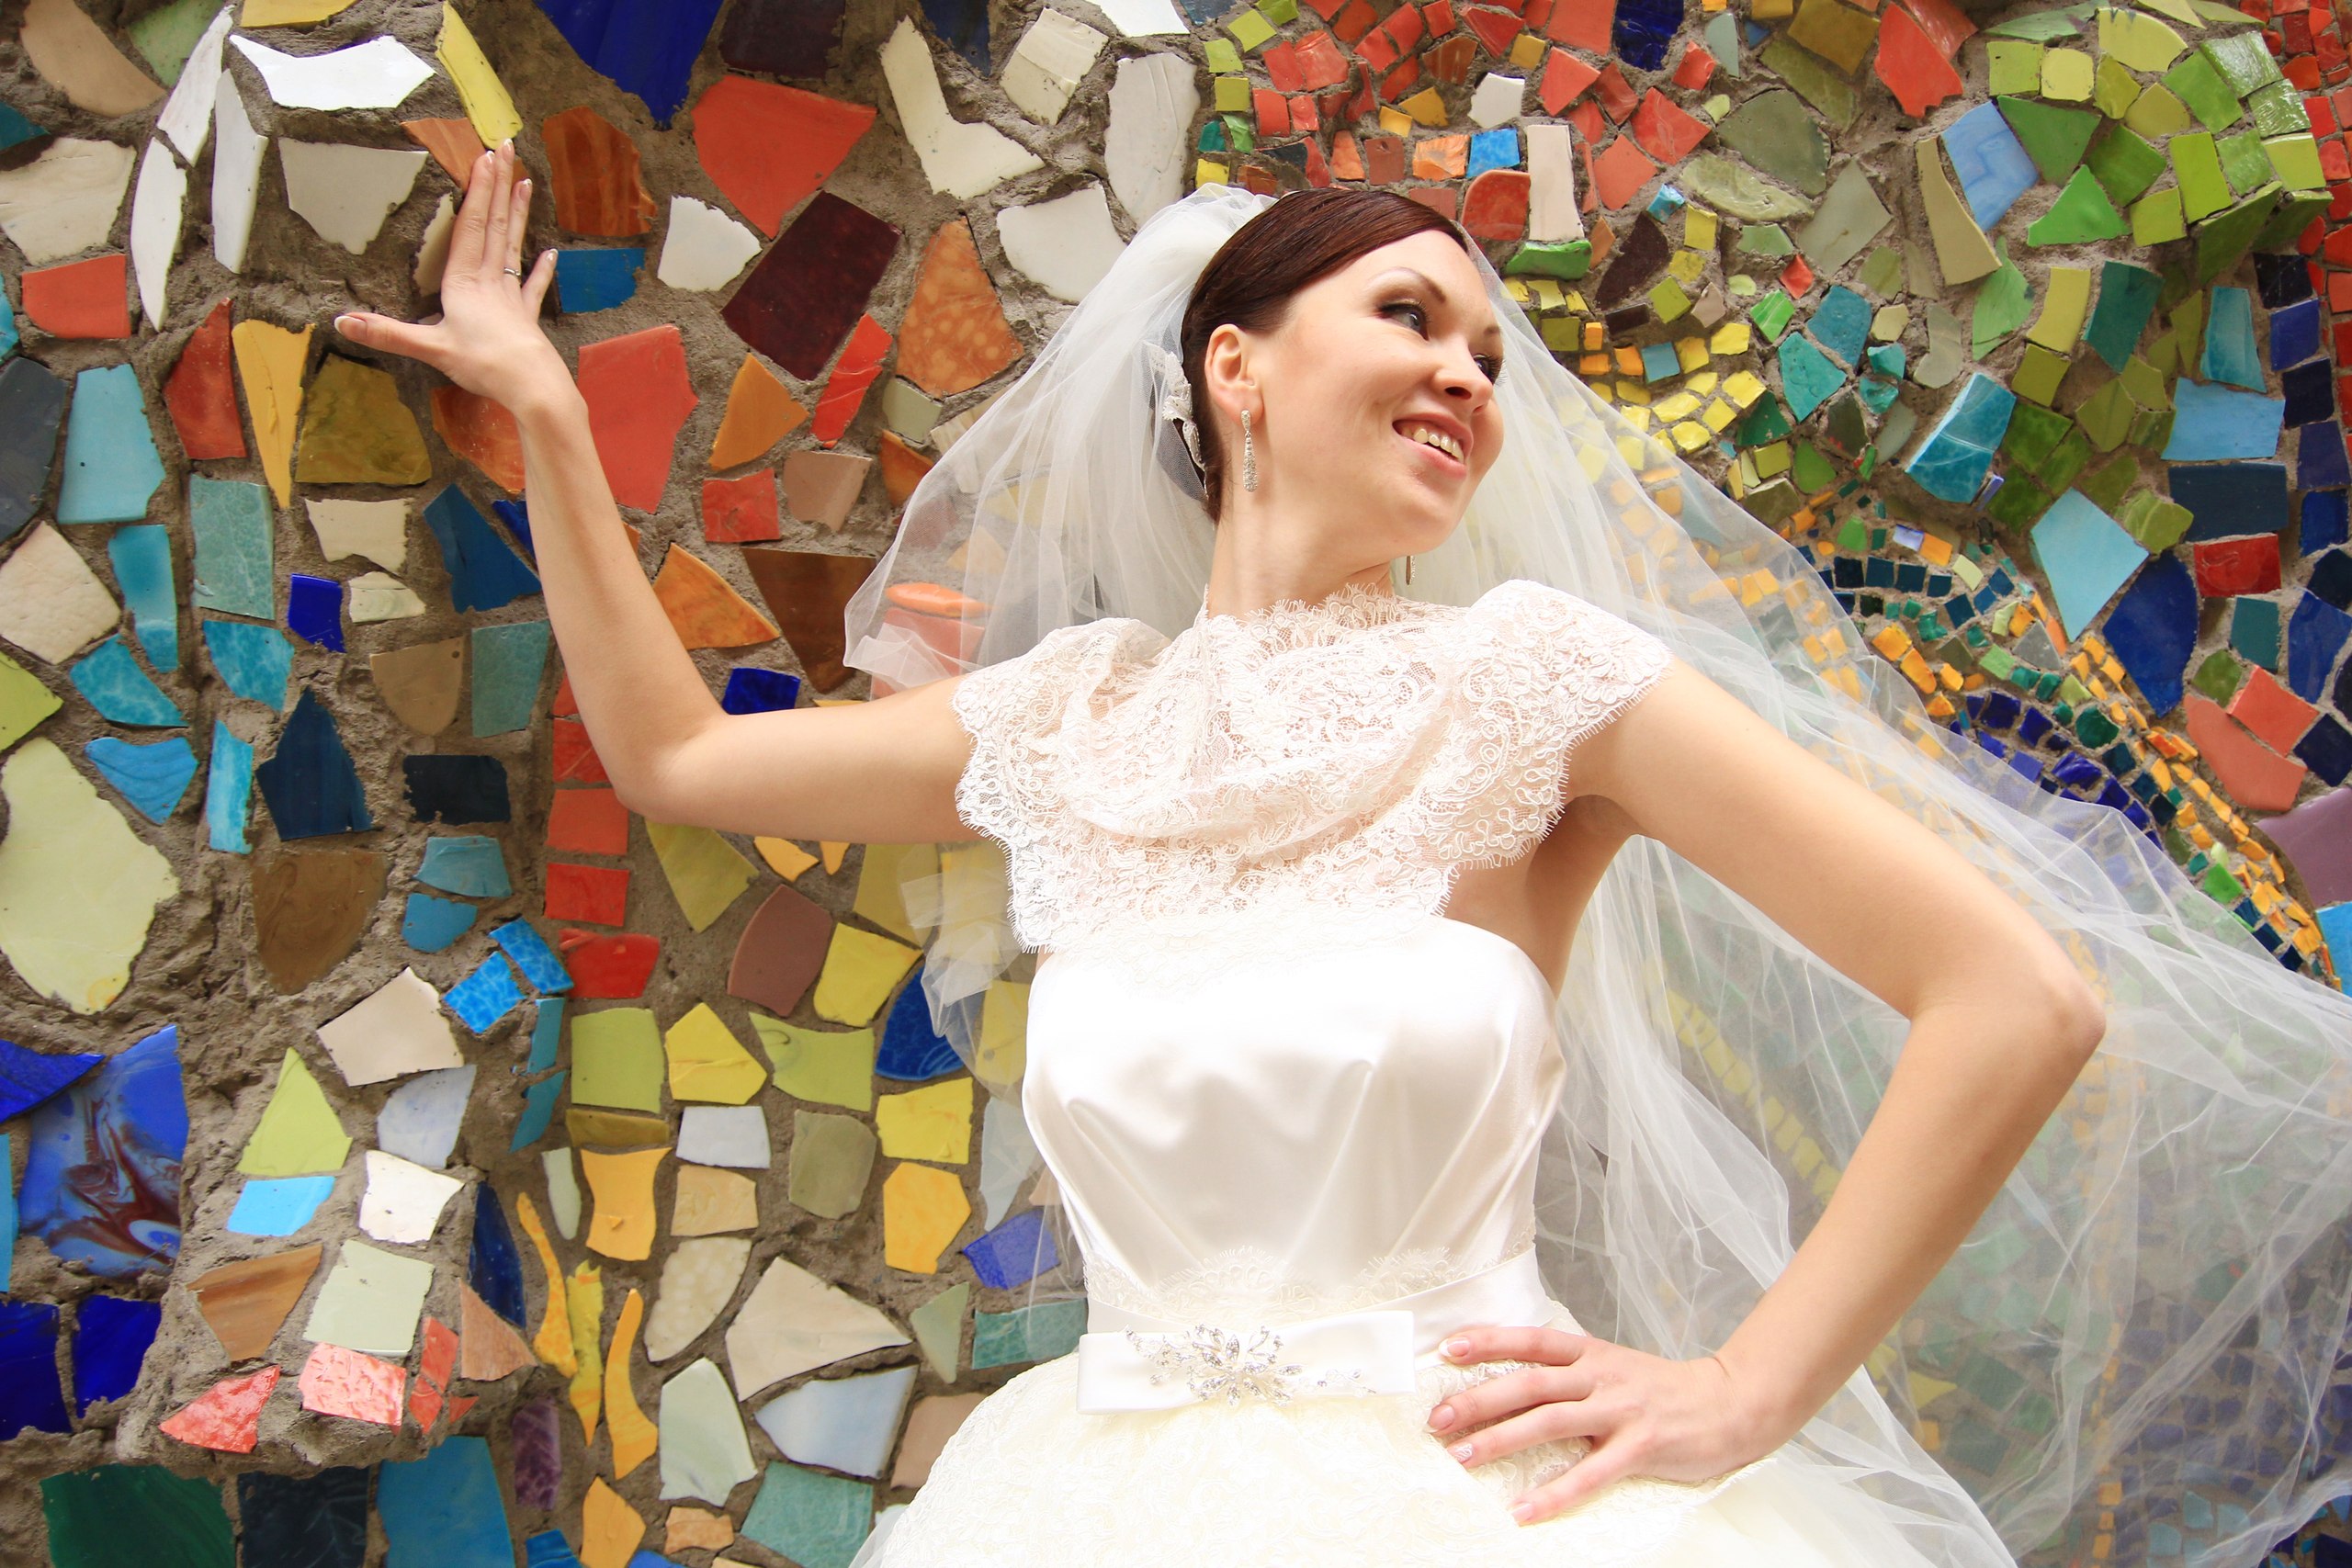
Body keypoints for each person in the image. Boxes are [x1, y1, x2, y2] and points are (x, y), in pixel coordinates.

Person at [339, 146, 2352, 1568]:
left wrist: (1747, 1391)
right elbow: (682, 755)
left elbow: (2017, 994)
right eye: (1409, 315)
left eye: (1488, 351)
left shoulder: (1540, 683)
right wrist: (544, 412)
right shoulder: (1066, 721)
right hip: (1089, 1500)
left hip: (1484, 1504)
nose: (1468, 374)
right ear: (1235, 364)